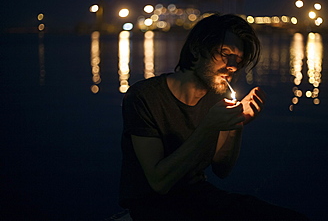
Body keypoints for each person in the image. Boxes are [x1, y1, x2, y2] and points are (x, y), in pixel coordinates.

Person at [119, 14, 308, 220]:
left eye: (239, 59)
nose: (233, 66)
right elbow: (159, 183)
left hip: (199, 197)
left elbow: (222, 168)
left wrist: (237, 123)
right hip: (151, 206)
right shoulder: (145, 96)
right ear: (196, 50)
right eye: (225, 53)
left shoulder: (216, 99)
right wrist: (209, 126)